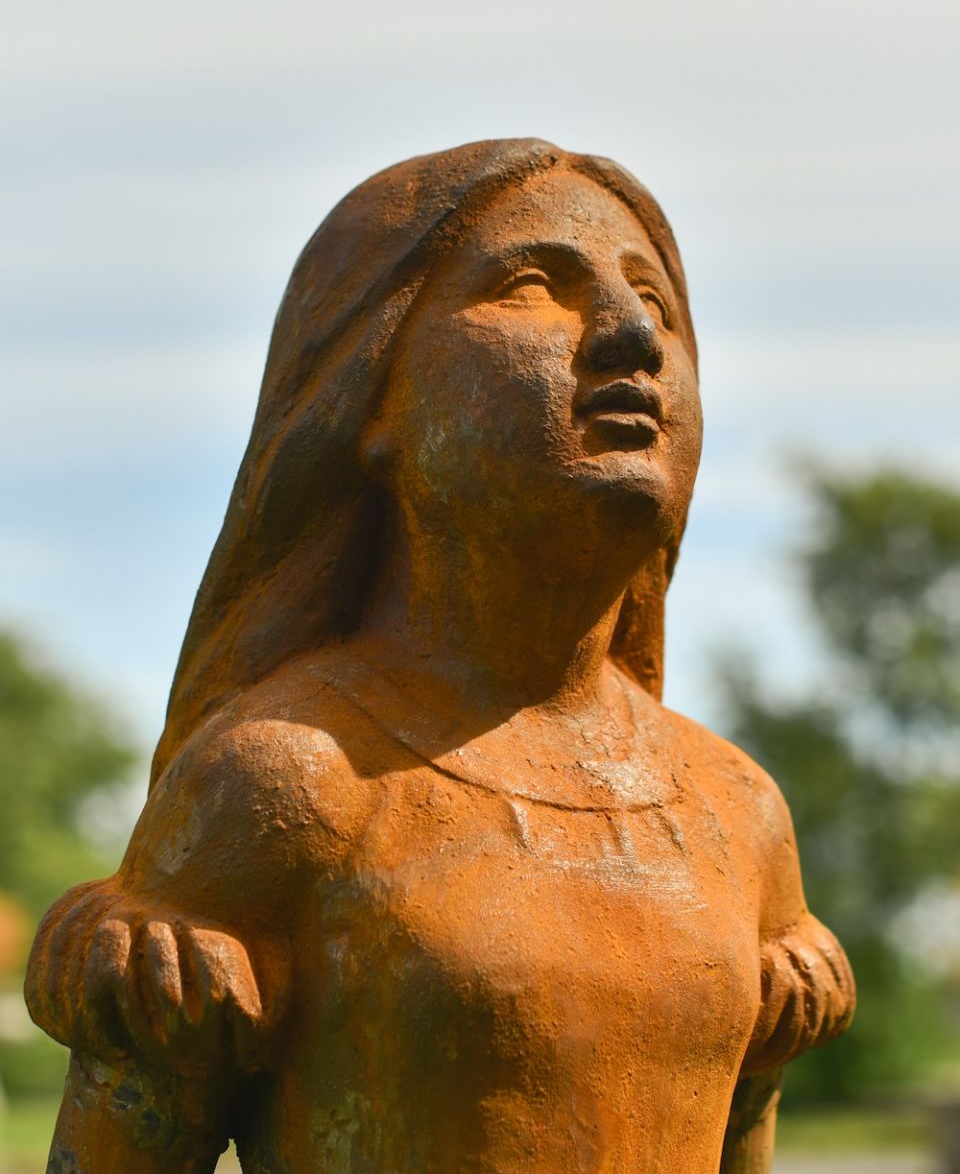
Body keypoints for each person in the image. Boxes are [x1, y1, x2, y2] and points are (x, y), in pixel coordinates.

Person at [26, 139, 854, 1173]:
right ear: (369, 395)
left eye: (658, 303)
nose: (633, 334)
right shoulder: (288, 785)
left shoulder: (738, 813)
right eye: (534, 286)